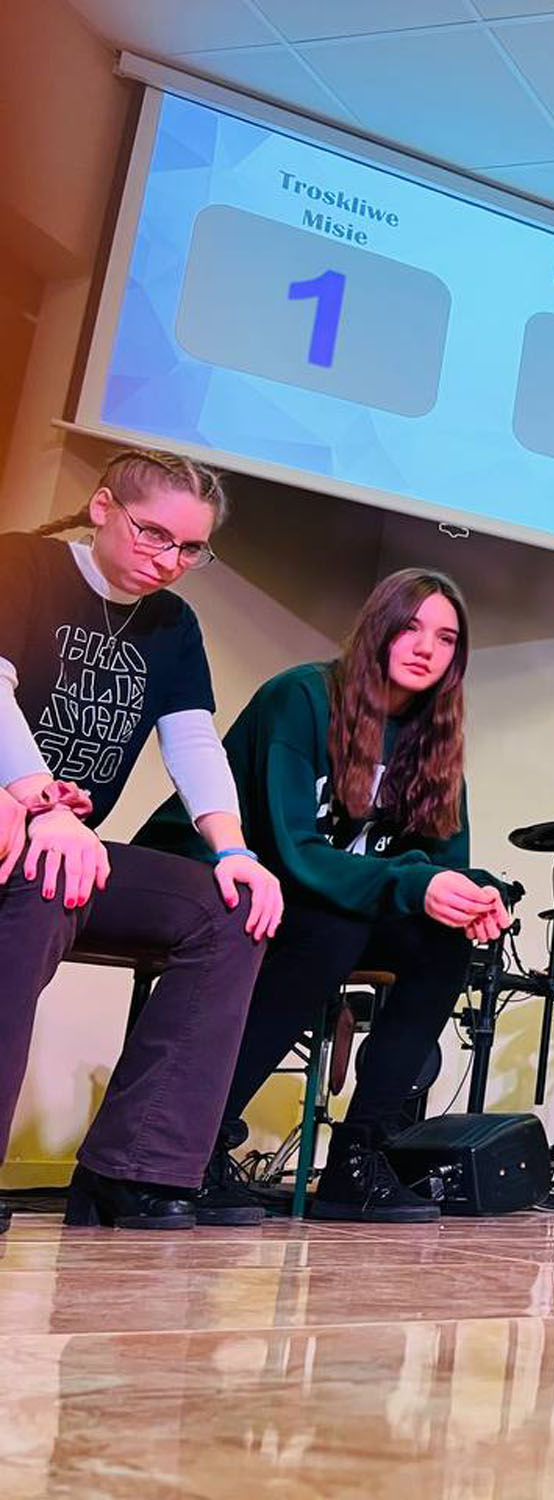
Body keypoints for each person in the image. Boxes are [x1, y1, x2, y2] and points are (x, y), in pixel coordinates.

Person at [139, 568, 508, 1224]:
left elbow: (445, 864)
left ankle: (360, 1156)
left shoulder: (435, 739)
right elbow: (293, 852)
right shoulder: (303, 698)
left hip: (322, 899)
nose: (427, 647)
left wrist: (475, 897)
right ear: (378, 628)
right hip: (218, 877)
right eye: (411, 627)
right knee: (330, 930)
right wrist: (414, 883)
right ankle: (198, 1141)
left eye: (447, 638)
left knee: (443, 941)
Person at [0, 448, 281, 1231]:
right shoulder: (23, 565)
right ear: (102, 508)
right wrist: (41, 804)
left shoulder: (172, 624)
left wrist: (234, 852)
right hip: (21, 830)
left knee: (228, 913)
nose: (169, 560)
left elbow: (192, 742)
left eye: (190, 548)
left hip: (70, 847)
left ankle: (134, 1168)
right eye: (154, 534)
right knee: (47, 878)